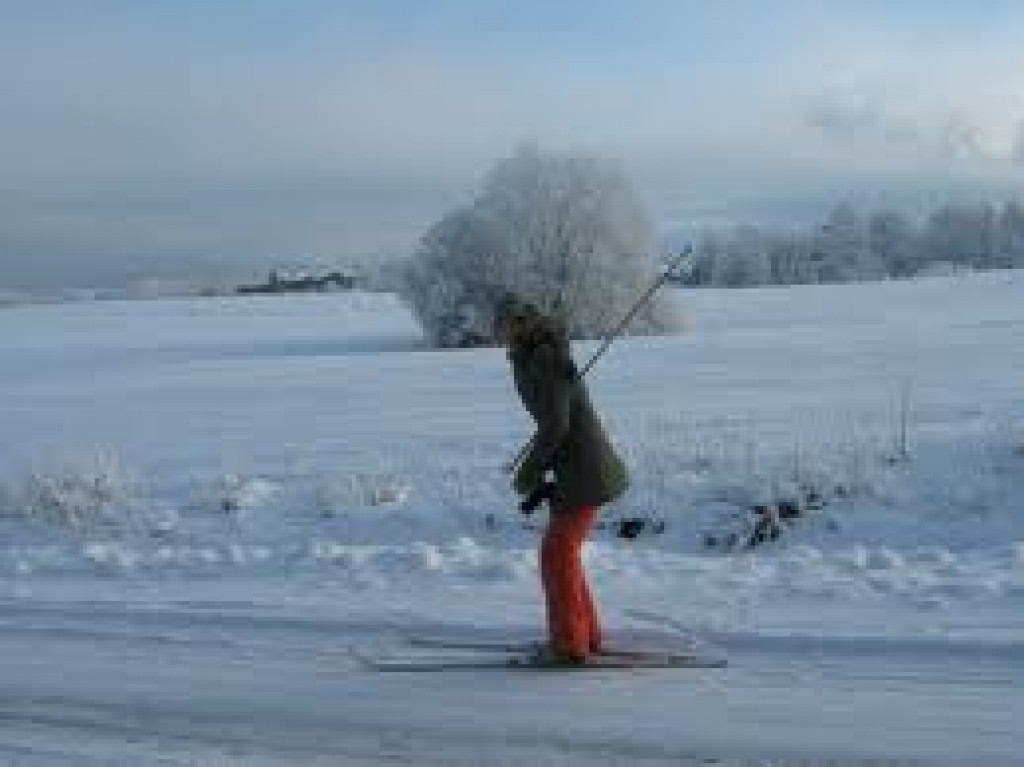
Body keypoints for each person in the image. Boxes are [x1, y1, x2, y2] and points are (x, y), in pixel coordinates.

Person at [494, 295, 629, 664]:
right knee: (562, 552)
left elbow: (557, 424)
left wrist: (532, 468)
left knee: (557, 553)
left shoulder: (545, 360)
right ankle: (584, 635)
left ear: (525, 323)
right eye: (502, 325)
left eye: (509, 324)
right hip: (578, 468)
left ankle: (570, 645)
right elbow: (553, 419)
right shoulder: (536, 355)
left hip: (585, 469)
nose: (503, 332)